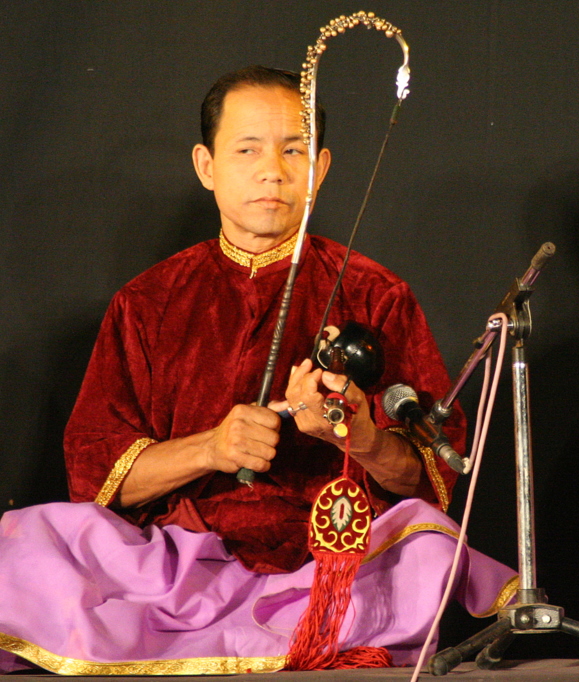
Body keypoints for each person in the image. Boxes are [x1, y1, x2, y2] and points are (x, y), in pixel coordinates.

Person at [0, 66, 516, 674]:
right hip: (178, 570)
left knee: (427, 545)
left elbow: (435, 480)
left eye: (292, 150)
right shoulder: (147, 301)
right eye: (247, 149)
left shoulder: (378, 295)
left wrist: (362, 438)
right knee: (27, 539)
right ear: (206, 166)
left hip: (331, 572)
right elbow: (95, 477)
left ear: (319, 169)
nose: (272, 170)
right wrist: (211, 449)